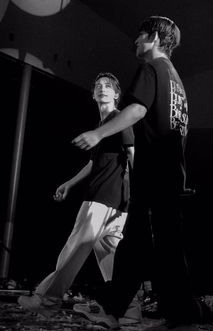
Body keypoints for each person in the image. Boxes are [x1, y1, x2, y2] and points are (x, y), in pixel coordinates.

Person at [71, 16, 213, 328]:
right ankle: (176, 312)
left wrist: (99, 133)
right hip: (171, 175)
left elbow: (136, 110)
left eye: (139, 37)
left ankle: (117, 309)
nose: (135, 42)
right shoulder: (175, 79)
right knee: (156, 246)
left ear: (152, 37)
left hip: (155, 175)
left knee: (143, 245)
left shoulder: (152, 69)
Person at [18, 72, 136, 322]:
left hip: (104, 198)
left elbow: (132, 154)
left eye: (108, 86)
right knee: (110, 259)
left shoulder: (118, 120)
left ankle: (47, 300)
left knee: (73, 250)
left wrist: (137, 192)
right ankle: (130, 310)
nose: (103, 88)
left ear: (116, 94)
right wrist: (69, 183)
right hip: (115, 203)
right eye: (98, 86)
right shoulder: (101, 128)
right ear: (93, 94)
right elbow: (95, 164)